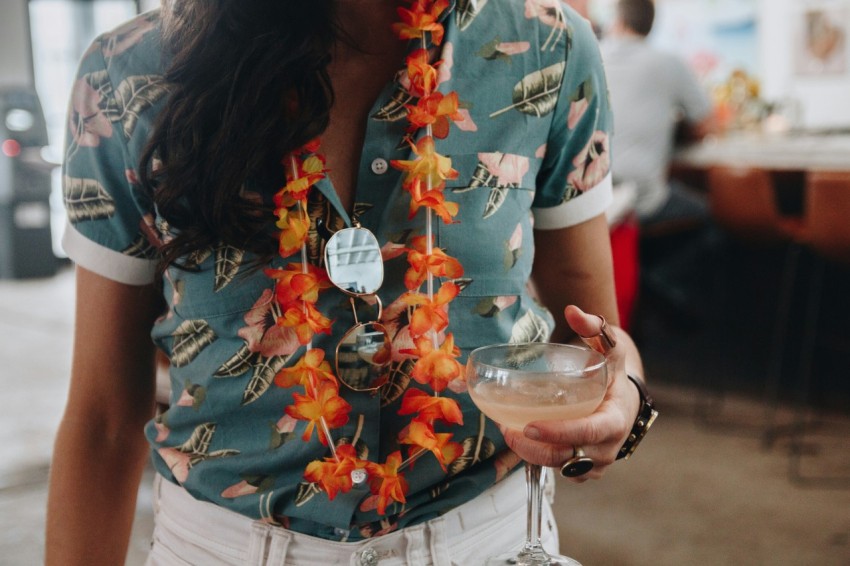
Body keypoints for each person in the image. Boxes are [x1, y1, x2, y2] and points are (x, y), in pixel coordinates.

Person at [47, 1, 653, 564]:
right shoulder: (129, 75)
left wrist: (622, 401)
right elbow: (103, 417)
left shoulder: (549, 45)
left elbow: (598, 345)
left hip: (486, 542)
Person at [600, 0, 713, 229]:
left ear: (618, 21)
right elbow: (706, 124)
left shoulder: (594, 56)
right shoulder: (669, 62)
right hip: (643, 199)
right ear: (650, 26)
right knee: (711, 217)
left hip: (593, 196)